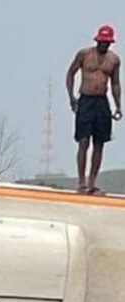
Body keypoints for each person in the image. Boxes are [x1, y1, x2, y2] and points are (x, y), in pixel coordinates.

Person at [66, 24, 122, 194]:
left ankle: (92, 182)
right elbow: (70, 73)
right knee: (83, 141)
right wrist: (72, 97)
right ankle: (81, 182)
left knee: (99, 142)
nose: (104, 45)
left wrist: (118, 105)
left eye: (107, 42)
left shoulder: (114, 60)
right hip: (86, 100)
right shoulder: (84, 54)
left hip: (102, 102)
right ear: (97, 40)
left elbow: (115, 83)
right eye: (102, 42)